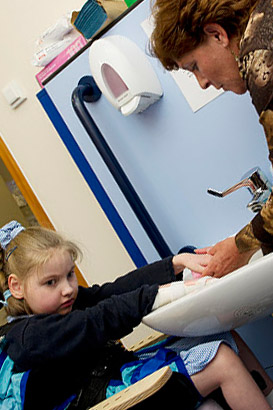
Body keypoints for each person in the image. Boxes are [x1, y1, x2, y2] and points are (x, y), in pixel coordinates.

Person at [0, 221, 272, 410]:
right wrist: (160, 294)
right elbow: (99, 318)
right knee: (221, 360)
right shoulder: (26, 338)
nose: (67, 289)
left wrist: (175, 264)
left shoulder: (63, 301)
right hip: (104, 399)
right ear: (16, 287)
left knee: (220, 333)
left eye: (70, 275)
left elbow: (112, 292)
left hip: (114, 378)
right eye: (51, 282)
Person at [150, 0, 273, 278]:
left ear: (217, 34)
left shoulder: (260, 56)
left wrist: (239, 246)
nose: (202, 83)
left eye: (194, 66)